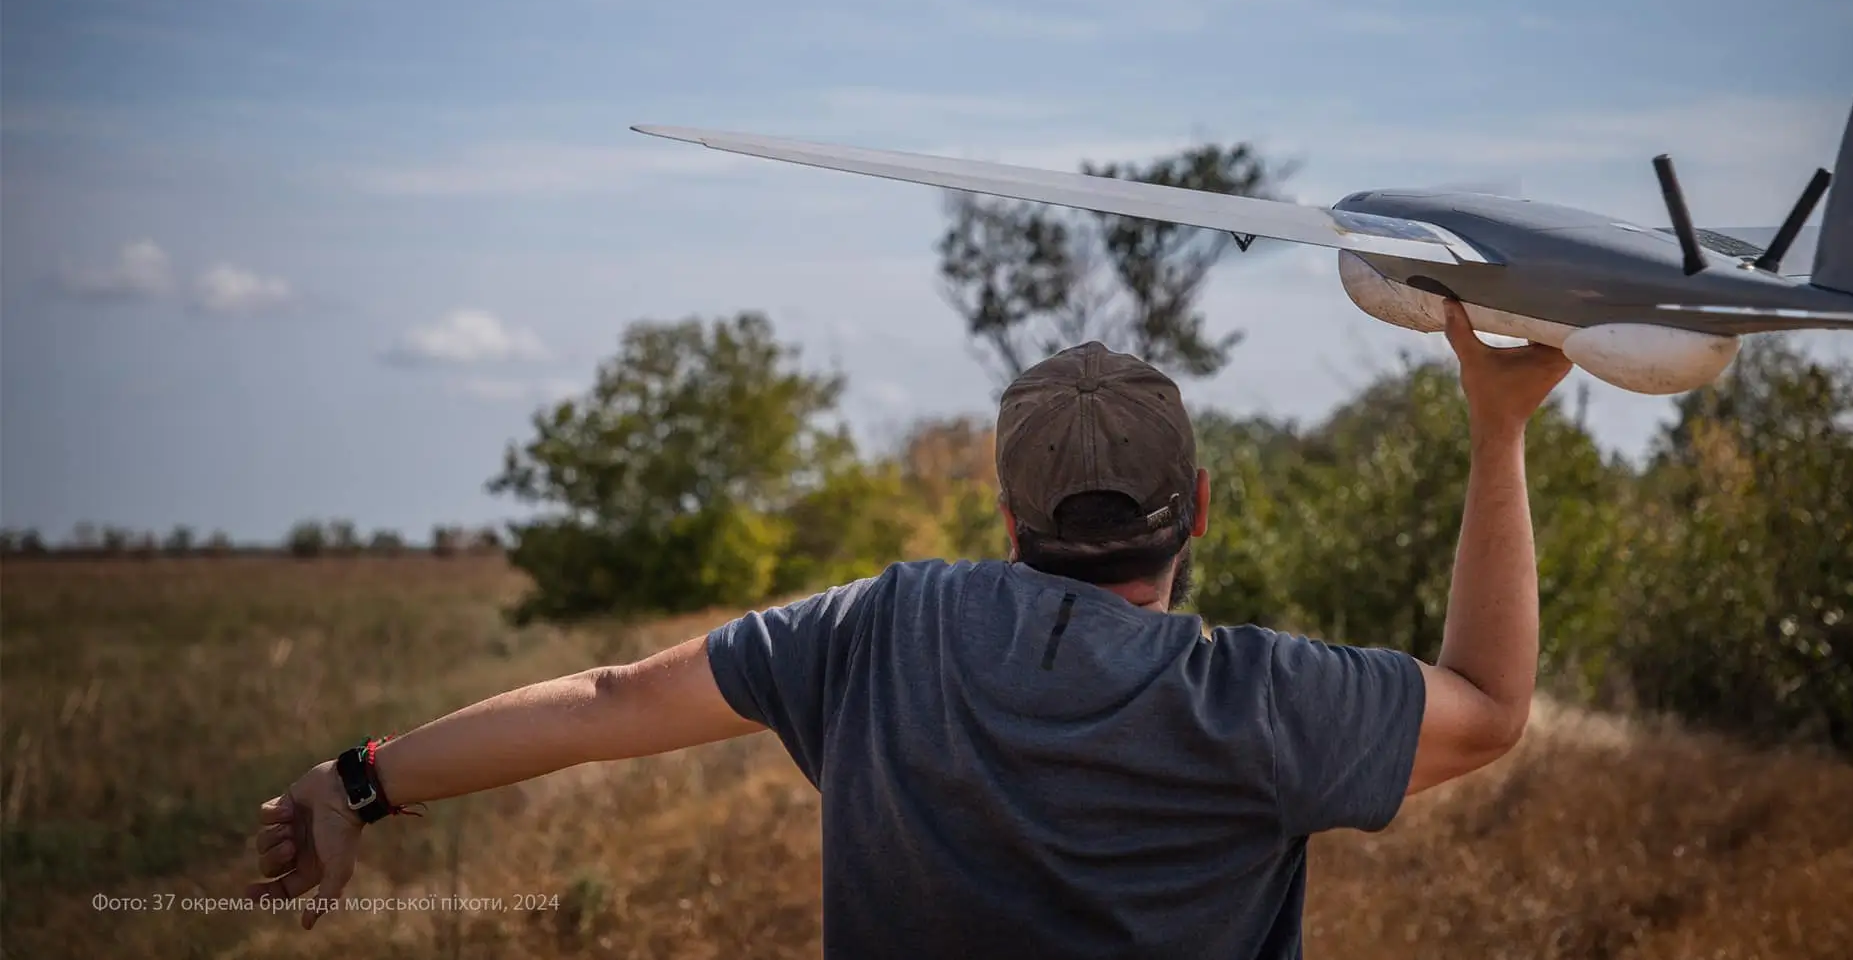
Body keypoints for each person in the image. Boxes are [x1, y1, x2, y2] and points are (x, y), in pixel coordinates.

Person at [248, 302, 1570, 957]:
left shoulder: (888, 626)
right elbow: (1491, 702)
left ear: (1008, 510)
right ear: (1201, 509)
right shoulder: (1260, 702)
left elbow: (609, 699)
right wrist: (1499, 425)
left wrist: (356, 783)